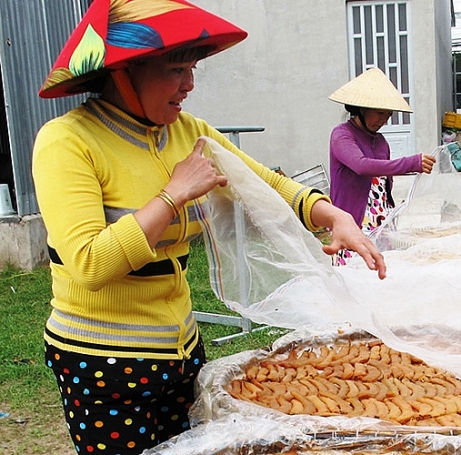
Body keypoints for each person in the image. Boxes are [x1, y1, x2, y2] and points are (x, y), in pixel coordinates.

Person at [32, 1, 385, 453]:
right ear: (123, 73)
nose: (190, 84)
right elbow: (89, 264)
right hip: (103, 361)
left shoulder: (186, 131)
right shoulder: (68, 141)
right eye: (176, 69)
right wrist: (172, 194)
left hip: (180, 351)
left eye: (193, 68)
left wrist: (331, 214)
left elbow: (263, 183)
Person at [327, 68, 436, 265]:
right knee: (355, 279)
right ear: (360, 108)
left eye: (388, 115)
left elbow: (384, 183)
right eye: (379, 113)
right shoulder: (342, 135)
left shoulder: (382, 142)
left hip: (382, 225)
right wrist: (411, 163)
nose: (383, 120)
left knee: (380, 276)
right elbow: (362, 166)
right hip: (353, 224)